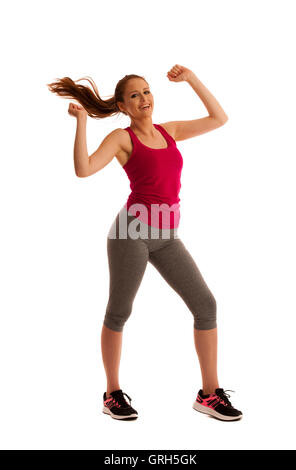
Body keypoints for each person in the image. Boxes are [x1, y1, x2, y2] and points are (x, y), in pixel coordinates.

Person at [47, 64, 243, 422]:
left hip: (167, 236)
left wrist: (191, 79)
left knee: (206, 304)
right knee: (119, 312)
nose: (144, 99)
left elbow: (219, 118)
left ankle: (210, 394)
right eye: (134, 95)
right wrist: (82, 124)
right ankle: (112, 394)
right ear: (123, 106)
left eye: (147, 91)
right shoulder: (123, 139)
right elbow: (84, 169)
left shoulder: (169, 132)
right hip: (131, 233)